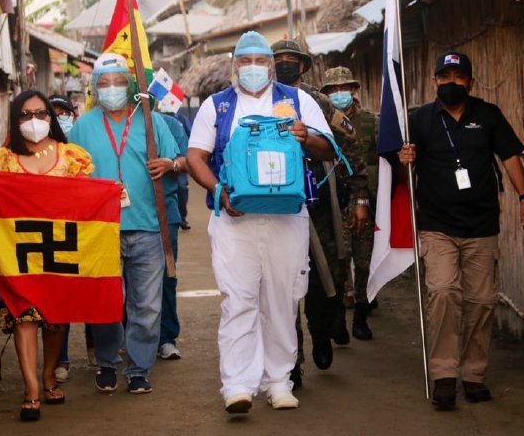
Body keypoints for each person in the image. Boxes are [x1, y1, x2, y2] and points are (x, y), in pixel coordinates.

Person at [187, 31, 335, 413]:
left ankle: (279, 381)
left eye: (261, 61)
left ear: (271, 65)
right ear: (235, 65)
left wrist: (306, 136)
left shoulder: (297, 100)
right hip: (235, 219)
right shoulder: (216, 106)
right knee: (238, 300)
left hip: (287, 217)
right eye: (245, 61)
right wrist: (219, 189)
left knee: (283, 299)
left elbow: (329, 148)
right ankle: (237, 384)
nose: (253, 68)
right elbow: (196, 157)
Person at [398, 52, 524, 409]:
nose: (451, 82)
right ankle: (444, 374)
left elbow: (510, 157)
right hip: (437, 225)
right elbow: (399, 174)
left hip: (481, 225)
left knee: (481, 301)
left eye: (458, 76)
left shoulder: (488, 115)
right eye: (444, 76)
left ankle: (473, 374)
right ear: (434, 82)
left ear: (470, 83)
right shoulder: (419, 120)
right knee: (443, 292)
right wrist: (404, 160)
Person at [68, 53, 180, 395]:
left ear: (130, 85)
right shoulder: (82, 127)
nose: (111, 88)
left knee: (146, 305)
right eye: (104, 83)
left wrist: (170, 164)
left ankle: (138, 368)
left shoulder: (151, 122)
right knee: (104, 301)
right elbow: (68, 176)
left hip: (147, 225)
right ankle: (106, 362)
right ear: (94, 88)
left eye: (118, 81)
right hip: (100, 230)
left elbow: (180, 160)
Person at [0, 89, 94, 421]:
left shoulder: (74, 157)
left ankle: (48, 375)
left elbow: (88, 198)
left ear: (51, 117)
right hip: (17, 255)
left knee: (54, 320)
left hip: (59, 253)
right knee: (24, 318)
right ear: (16, 120)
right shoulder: (0, 160)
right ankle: (32, 388)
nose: (34, 121)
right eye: (26, 115)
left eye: (41, 114)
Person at [272, 39, 369, 381]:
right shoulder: (260, 101)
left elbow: (351, 147)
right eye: (278, 59)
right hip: (277, 203)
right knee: (283, 282)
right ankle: (292, 361)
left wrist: (360, 198)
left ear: (303, 65)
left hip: (320, 204)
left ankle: (322, 333)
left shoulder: (319, 101)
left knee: (324, 275)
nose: (284, 64)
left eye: (290, 60)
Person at [320, 67, 379, 340]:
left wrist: (363, 202)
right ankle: (339, 320)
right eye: (333, 90)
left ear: (354, 90)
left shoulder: (370, 122)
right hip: (334, 198)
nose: (339, 93)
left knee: (364, 261)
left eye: (344, 88)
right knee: (339, 262)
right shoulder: (322, 121)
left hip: (362, 197)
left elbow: (377, 166)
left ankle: (361, 316)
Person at [48, 94, 97, 383]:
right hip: (54, 233)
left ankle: (94, 344)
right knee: (61, 298)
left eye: (64, 112)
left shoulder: (81, 149)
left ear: (73, 115)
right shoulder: (40, 150)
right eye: (54, 114)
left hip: (86, 228)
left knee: (90, 289)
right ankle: (61, 359)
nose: (59, 118)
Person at [155, 105, 189, 360]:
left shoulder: (169, 124)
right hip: (121, 217)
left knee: (167, 275)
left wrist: (172, 164)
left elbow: (189, 160)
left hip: (165, 214)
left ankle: (166, 337)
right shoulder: (99, 125)